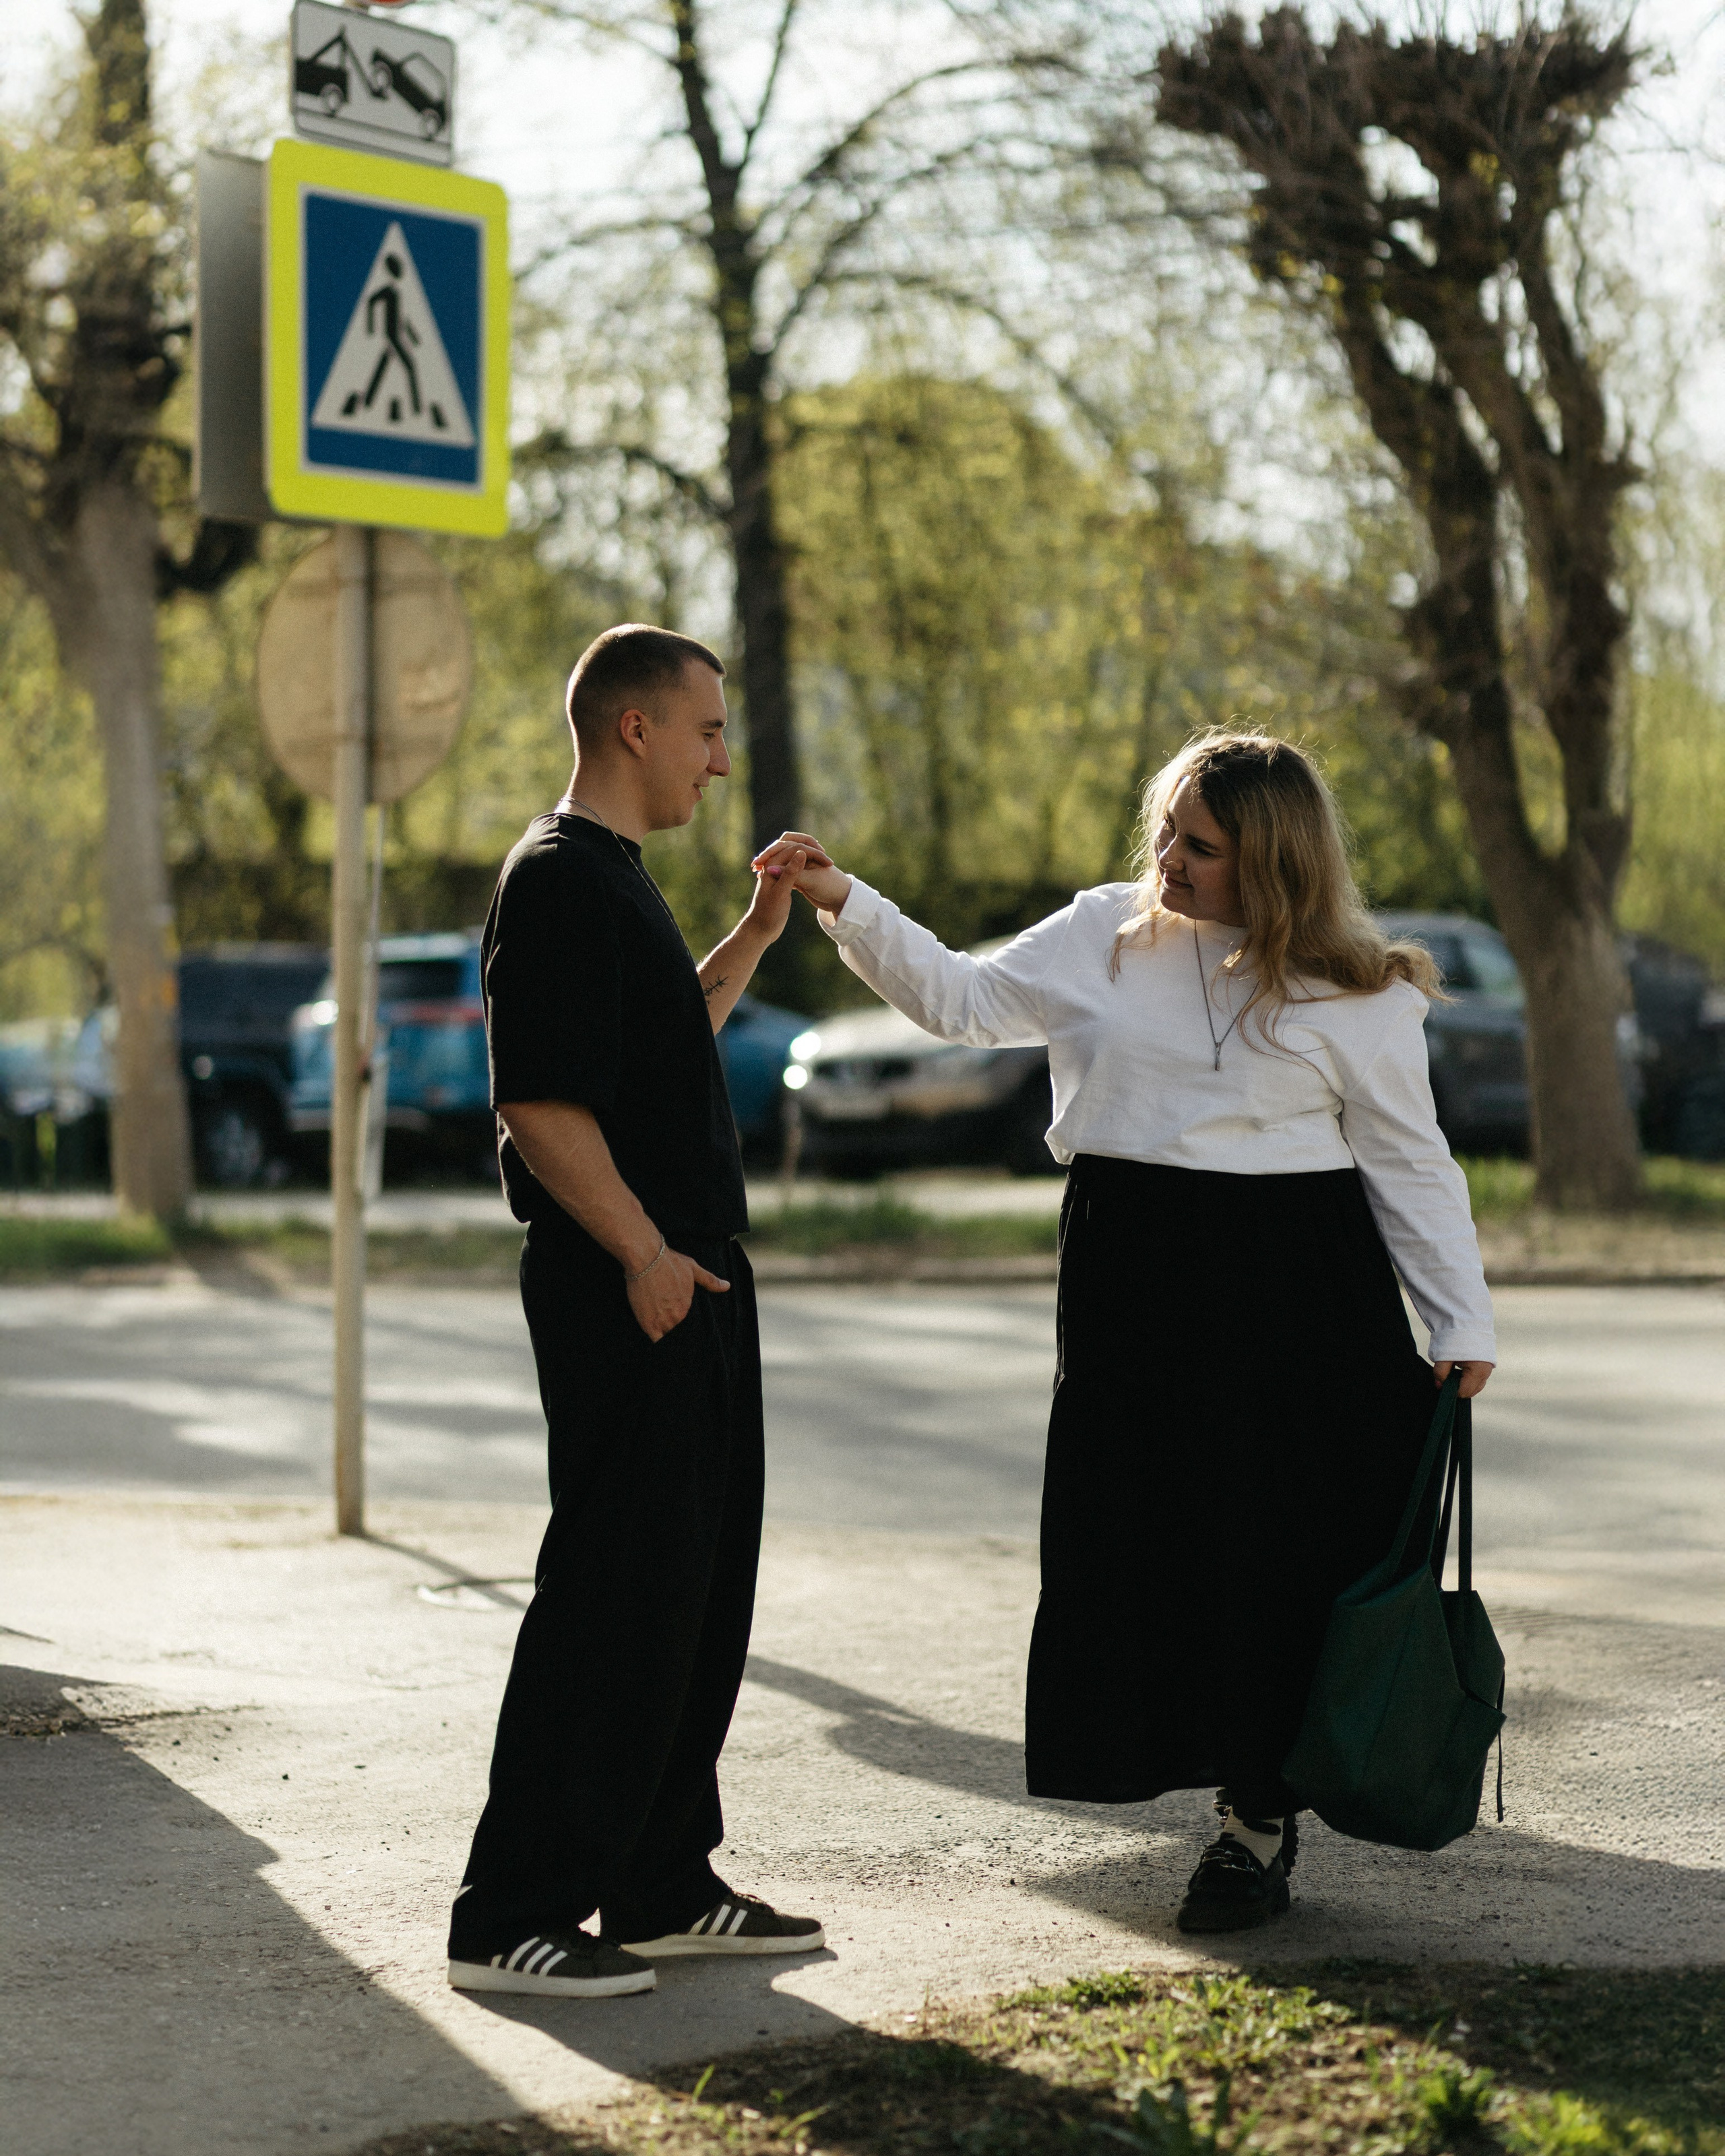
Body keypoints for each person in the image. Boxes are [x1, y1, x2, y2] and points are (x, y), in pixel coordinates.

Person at [756, 730, 1496, 1934]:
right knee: (1148, 1543)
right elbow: (964, 1002)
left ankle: (1257, 1821)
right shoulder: (1104, 933)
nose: (1171, 859)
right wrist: (847, 900)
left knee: (1274, 1554)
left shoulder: (1360, 994)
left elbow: (1412, 1166)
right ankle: (1209, 1781)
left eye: (1202, 847)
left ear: (1273, 862)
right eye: (1167, 829)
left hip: (1297, 1297)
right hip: (1131, 1281)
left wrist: (1461, 1316)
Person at [448, 625, 826, 1999]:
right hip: (634, 1288)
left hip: (688, 1280)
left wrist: (754, 936)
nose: (721, 761)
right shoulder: (553, 880)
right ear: (633, 730)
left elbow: (662, 1033)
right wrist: (645, 1254)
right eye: (708, 730)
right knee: (612, 1596)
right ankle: (510, 1913)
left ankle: (660, 1883)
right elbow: (538, 1100)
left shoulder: (617, 884)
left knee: (692, 1592)